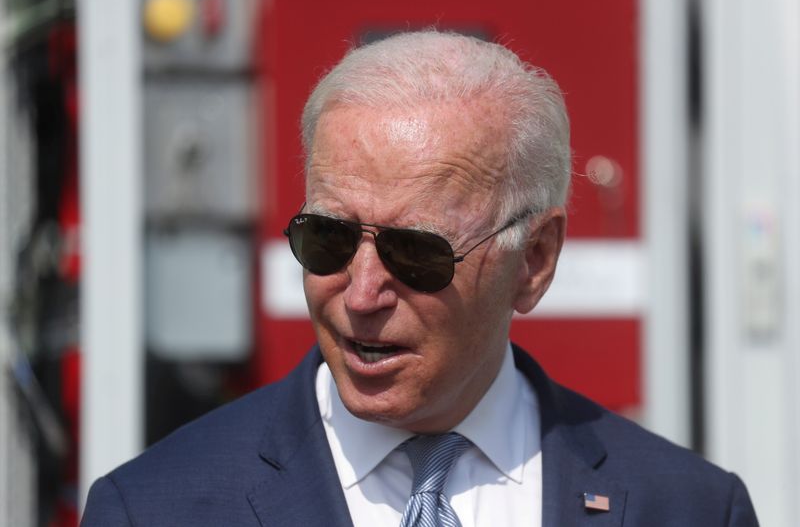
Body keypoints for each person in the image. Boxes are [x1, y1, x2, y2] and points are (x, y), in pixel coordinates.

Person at [82, 31, 759, 526]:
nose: (361, 293)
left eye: (417, 253)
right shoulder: (155, 507)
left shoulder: (689, 507)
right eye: (330, 239)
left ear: (535, 259)